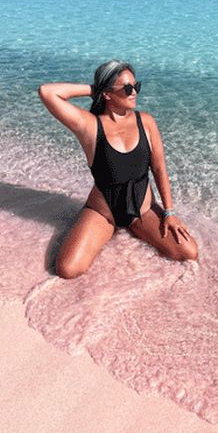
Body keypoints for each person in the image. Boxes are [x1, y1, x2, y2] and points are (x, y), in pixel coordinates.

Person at [38, 60, 198, 278]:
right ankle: (100, 228)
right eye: (126, 88)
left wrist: (169, 212)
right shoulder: (90, 126)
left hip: (142, 210)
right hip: (104, 213)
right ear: (107, 95)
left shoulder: (146, 122)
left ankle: (136, 227)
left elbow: (160, 168)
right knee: (68, 270)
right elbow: (48, 92)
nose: (134, 93)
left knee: (188, 252)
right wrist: (95, 89)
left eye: (136, 86)